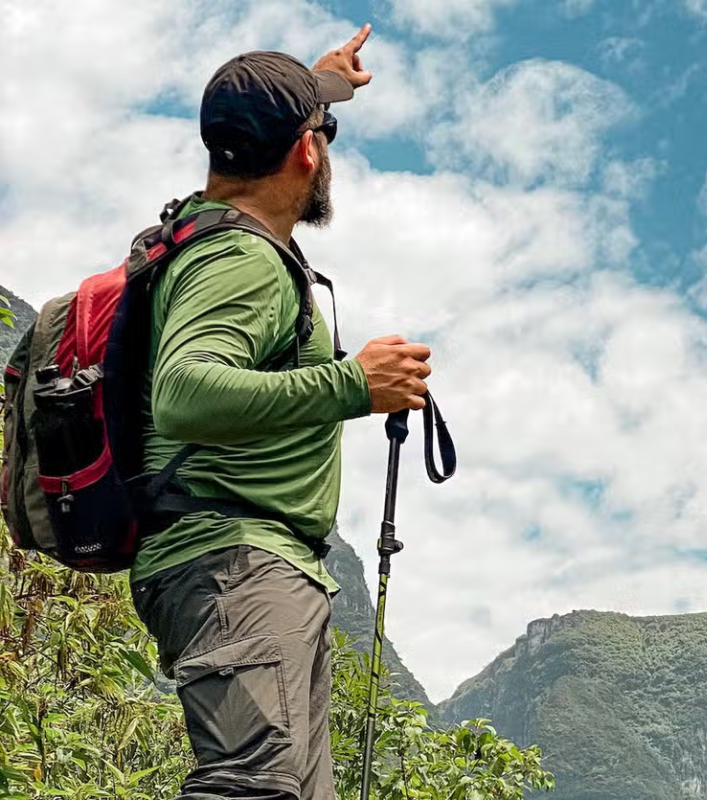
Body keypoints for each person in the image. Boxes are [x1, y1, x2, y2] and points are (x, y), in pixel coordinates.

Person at [127, 24, 430, 799]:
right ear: (304, 152)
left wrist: (317, 88)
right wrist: (354, 385)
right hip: (236, 562)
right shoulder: (243, 260)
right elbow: (185, 392)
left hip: (255, 568)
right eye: (319, 134)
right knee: (254, 789)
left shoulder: (204, 234)